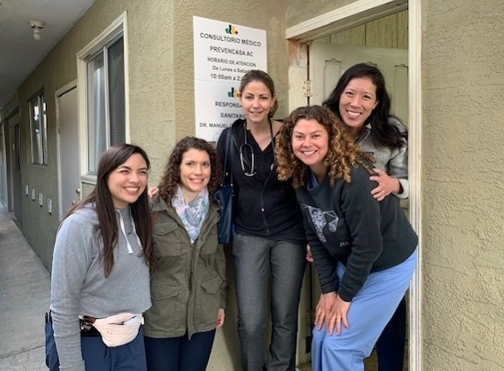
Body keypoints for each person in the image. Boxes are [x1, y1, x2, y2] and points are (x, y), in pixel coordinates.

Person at [275, 105, 417, 371]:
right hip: (353, 259)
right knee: (320, 335)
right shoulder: (301, 176)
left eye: (316, 136)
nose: (307, 144)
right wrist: (328, 291)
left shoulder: (353, 178)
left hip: (387, 264)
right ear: (289, 141)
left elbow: (369, 245)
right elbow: (315, 235)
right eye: (299, 136)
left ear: (331, 137)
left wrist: (343, 297)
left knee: (339, 345)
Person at [216, 70, 307, 371]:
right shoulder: (231, 138)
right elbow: (213, 183)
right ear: (239, 98)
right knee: (252, 320)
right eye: (250, 96)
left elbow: (308, 184)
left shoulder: (289, 135)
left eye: (263, 97)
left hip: (289, 235)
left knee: (284, 315)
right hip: (248, 234)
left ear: (273, 101)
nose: (256, 104)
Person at [323, 62, 409, 371]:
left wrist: (394, 184)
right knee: (340, 319)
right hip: (340, 242)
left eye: (365, 97)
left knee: (388, 317)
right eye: (350, 93)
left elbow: (411, 182)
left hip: (383, 242)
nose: (355, 103)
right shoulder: (323, 125)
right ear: (339, 94)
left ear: (376, 103)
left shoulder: (392, 131)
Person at [50, 143, 154, 371]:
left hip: (132, 341)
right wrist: (72, 366)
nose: (135, 179)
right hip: (91, 343)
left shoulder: (140, 218)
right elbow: (62, 305)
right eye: (125, 171)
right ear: (105, 175)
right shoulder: (79, 226)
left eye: (142, 172)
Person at [143, 136, 227, 371]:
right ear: (177, 167)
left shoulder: (215, 208)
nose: (198, 171)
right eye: (190, 164)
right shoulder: (154, 207)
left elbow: (217, 261)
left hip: (203, 314)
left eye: (205, 164)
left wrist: (220, 302)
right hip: (160, 314)